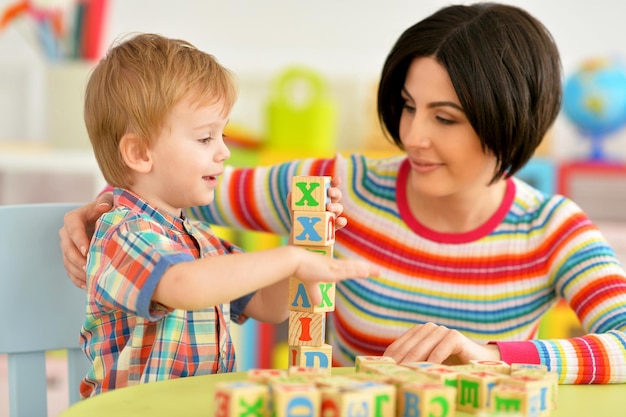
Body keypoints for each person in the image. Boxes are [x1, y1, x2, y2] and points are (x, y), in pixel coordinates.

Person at [61, 3, 626, 385]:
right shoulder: (340, 186)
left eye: (445, 117)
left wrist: (494, 356)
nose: (413, 136)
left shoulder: (554, 228)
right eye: (407, 107)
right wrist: (99, 208)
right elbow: (174, 185)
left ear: (511, 121)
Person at [74, 32, 378, 398]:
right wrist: (289, 257)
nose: (224, 153)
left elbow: (269, 306)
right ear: (139, 153)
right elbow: (185, 285)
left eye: (223, 136)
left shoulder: (199, 239)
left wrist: (307, 243)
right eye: (205, 138)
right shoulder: (122, 232)